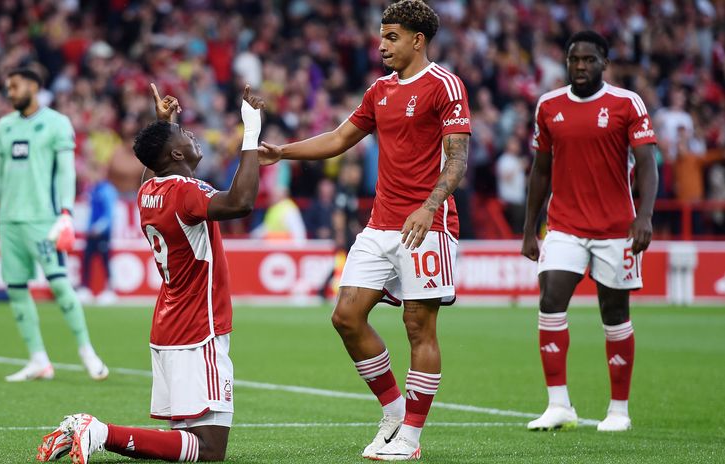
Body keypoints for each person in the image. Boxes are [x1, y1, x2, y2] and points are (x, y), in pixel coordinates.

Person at [258, 1, 470, 460]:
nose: (382, 45)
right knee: (346, 317)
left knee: (418, 325)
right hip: (380, 224)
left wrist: (430, 206)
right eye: (381, 36)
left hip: (427, 225)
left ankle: (411, 437)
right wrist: (283, 153)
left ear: (418, 39)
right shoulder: (380, 91)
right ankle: (393, 412)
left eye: (392, 37)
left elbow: (457, 158)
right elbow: (338, 138)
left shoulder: (445, 86)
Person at [36, 84, 265, 463]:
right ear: (176, 153)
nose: (192, 135)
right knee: (210, 451)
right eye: (184, 134)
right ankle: (97, 431)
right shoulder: (187, 191)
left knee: (189, 442)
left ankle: (94, 432)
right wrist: (252, 130)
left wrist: (163, 124)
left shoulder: (148, 192)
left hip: (168, 327)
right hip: (199, 329)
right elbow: (241, 202)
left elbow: (151, 172)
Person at [522, 31, 658, 432]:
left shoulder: (626, 104)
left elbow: (648, 164)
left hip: (616, 228)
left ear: (605, 63)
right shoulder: (549, 106)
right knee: (551, 299)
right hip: (564, 224)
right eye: (574, 60)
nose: (580, 66)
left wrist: (644, 216)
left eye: (589, 60)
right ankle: (559, 404)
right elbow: (541, 169)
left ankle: (619, 410)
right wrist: (530, 229)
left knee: (614, 313)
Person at [0, 67, 108, 382]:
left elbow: (65, 172)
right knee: (17, 289)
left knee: (60, 284)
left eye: (15, 86)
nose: (10, 92)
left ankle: (87, 350)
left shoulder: (57, 124)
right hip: (9, 222)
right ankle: (38, 360)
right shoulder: (4, 126)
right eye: (7, 87)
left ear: (33, 86)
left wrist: (66, 213)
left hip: (43, 219)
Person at [77, 161, 119, 305]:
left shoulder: (107, 190)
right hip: (91, 233)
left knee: (105, 261)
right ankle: (85, 289)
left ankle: (110, 290)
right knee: (87, 261)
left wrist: (99, 228)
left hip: (102, 234)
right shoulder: (92, 190)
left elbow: (109, 213)